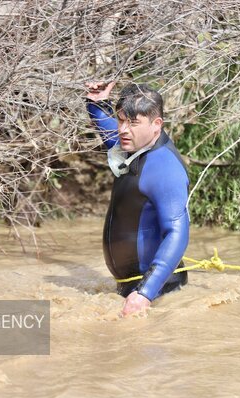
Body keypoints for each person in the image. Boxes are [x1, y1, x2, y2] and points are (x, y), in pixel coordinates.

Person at [85, 81, 190, 316]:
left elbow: (177, 233)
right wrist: (95, 103)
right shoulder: (131, 145)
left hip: (159, 293)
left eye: (133, 123)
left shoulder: (165, 169)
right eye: (121, 120)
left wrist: (145, 293)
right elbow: (106, 128)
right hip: (130, 289)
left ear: (156, 125)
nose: (123, 129)